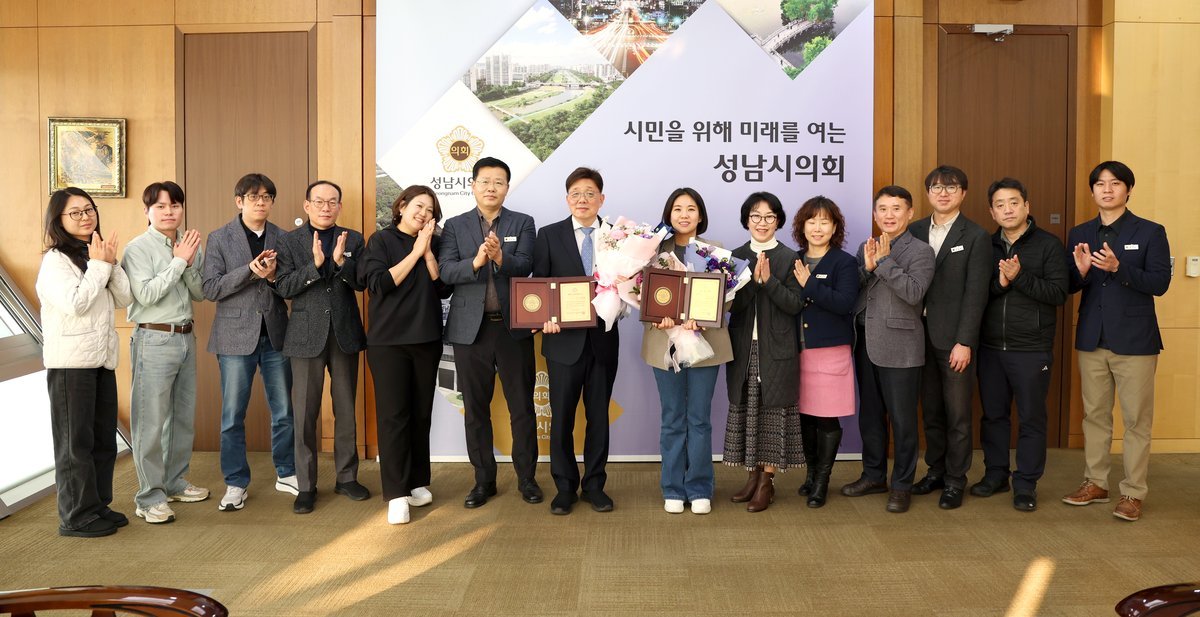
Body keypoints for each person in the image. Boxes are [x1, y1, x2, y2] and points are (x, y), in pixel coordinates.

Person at [1062, 161, 1170, 522]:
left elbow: (1159, 283)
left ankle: (1133, 492)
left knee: (1136, 420)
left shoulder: (1151, 231)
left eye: (1115, 183)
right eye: (1100, 184)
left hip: (1135, 341)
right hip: (1092, 338)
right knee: (1094, 415)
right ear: (1092, 191)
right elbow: (1070, 285)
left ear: (1128, 190)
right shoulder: (1081, 232)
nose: (1107, 190)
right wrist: (1079, 273)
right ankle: (1095, 482)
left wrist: (1118, 268)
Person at [439, 157, 542, 509]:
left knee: (522, 408)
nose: (491, 188)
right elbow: (446, 271)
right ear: (473, 185)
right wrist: (477, 262)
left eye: (499, 182)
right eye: (485, 181)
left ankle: (527, 479)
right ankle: (483, 481)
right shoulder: (455, 226)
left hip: (513, 329)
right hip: (471, 332)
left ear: (507, 188)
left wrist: (500, 258)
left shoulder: (523, 222)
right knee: (475, 410)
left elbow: (526, 266)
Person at [36, 187, 131, 537]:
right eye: (75, 212)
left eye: (89, 209)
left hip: (101, 360)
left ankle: (97, 504)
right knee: (74, 443)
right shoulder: (55, 261)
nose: (85, 217)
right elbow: (76, 304)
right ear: (58, 220)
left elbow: (124, 297)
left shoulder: (94, 253)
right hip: (70, 365)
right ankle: (76, 516)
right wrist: (100, 265)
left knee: (103, 439)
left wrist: (110, 262)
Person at [972, 178, 1068, 512]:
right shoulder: (985, 245)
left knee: (1031, 418)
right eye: (1000, 205)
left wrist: (1019, 277)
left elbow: (1058, 293)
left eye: (1014, 202)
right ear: (992, 212)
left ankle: (1025, 484)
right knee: (993, 417)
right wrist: (1001, 283)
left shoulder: (1048, 245)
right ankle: (996, 475)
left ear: (1027, 206)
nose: (1008, 209)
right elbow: (976, 294)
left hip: (1031, 348)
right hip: (991, 347)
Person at [274, 180, 370, 514]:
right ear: (307, 205)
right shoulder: (288, 242)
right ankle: (306, 486)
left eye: (332, 202)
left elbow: (362, 283)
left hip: (344, 333)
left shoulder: (354, 239)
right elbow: (283, 287)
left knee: (346, 409)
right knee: (304, 413)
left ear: (339, 206)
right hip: (304, 336)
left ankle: (347, 478)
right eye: (319, 201)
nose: (326, 207)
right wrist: (314, 266)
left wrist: (342, 263)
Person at [202, 173, 296, 512]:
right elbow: (210, 288)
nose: (261, 202)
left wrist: (272, 278)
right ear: (239, 201)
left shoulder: (284, 238)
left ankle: (287, 472)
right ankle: (235, 482)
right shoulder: (219, 238)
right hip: (233, 339)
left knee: (284, 411)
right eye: (254, 197)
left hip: (275, 335)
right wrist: (250, 271)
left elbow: (291, 287)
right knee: (232, 415)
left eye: (267, 197)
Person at [841, 186, 935, 514]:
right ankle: (873, 476)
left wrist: (883, 262)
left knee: (903, 420)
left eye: (896, 209)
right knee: (870, 416)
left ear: (910, 213)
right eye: (882, 209)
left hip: (901, 346)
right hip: (865, 342)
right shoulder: (865, 246)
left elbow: (913, 292)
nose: (889, 215)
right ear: (875, 214)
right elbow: (853, 292)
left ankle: (902, 485)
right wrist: (866, 268)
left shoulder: (921, 251)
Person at [533, 167, 620, 516]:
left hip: (603, 339)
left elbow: (629, 286)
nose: (582, 199)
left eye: (589, 193)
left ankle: (595, 485)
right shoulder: (548, 235)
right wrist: (544, 318)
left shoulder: (618, 236)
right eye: (576, 193)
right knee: (562, 418)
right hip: (562, 342)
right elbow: (540, 286)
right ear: (567, 199)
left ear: (601, 198)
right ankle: (565, 487)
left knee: (599, 417)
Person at [360, 185, 449, 525]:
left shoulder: (436, 243)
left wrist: (428, 253)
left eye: (430, 210)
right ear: (401, 206)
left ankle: (415, 482)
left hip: (427, 339)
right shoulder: (381, 241)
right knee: (393, 416)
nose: (423, 213)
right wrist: (415, 252)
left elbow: (443, 288)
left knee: (420, 414)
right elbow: (380, 284)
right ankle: (396, 494)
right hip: (388, 343)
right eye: (418, 206)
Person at [641, 188, 732, 515]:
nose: (684, 214)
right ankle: (673, 488)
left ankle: (700, 487)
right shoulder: (651, 251)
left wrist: (704, 318)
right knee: (672, 418)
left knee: (699, 419)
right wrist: (658, 317)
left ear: (700, 215)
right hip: (665, 342)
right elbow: (640, 295)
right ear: (669, 214)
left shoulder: (715, 251)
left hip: (706, 345)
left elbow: (728, 297)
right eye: (677, 209)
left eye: (691, 209)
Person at [122, 181, 208, 525]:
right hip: (153, 338)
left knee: (182, 418)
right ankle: (149, 497)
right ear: (147, 211)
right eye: (160, 206)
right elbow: (145, 295)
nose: (169, 211)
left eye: (175, 205)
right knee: (150, 421)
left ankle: (174, 482)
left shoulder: (187, 242)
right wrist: (178, 262)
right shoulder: (137, 249)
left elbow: (200, 293)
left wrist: (188, 262)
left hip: (186, 336)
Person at [907, 165, 991, 510]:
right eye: (937, 187)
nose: (943, 193)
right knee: (931, 412)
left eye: (951, 187)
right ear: (928, 193)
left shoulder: (976, 236)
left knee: (958, 415)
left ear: (963, 193)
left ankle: (956, 480)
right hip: (918, 337)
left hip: (955, 339)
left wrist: (965, 341)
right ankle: (936, 471)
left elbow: (976, 294)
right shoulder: (914, 230)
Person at [724, 191, 805, 513]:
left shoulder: (789, 257)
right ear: (747, 220)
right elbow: (730, 306)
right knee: (747, 410)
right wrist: (753, 284)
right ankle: (752, 476)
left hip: (777, 348)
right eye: (755, 216)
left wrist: (769, 281)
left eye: (769, 216)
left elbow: (795, 304)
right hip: (743, 347)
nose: (762, 222)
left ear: (778, 221)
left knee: (772, 415)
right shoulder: (735, 257)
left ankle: (767, 482)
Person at [789, 196, 858, 508]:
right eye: (812, 221)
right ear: (802, 226)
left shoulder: (844, 262)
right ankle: (810, 474)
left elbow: (844, 304)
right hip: (797, 350)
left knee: (827, 419)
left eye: (824, 222)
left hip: (830, 351)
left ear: (834, 227)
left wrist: (810, 285)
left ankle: (822, 481)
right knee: (805, 417)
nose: (817, 228)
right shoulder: (793, 259)